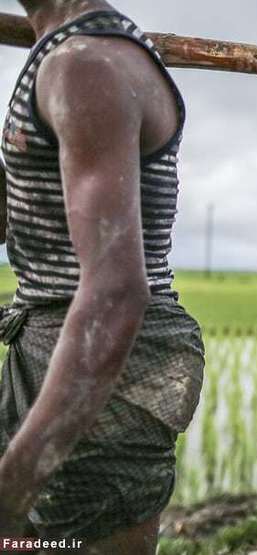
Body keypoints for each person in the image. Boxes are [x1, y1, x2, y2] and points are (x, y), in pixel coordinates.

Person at [0, 1, 204, 551]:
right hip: (53, 345)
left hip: (102, 367)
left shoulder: (83, 65)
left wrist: (7, 496)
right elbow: (21, 217)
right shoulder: (61, 52)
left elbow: (114, 295)